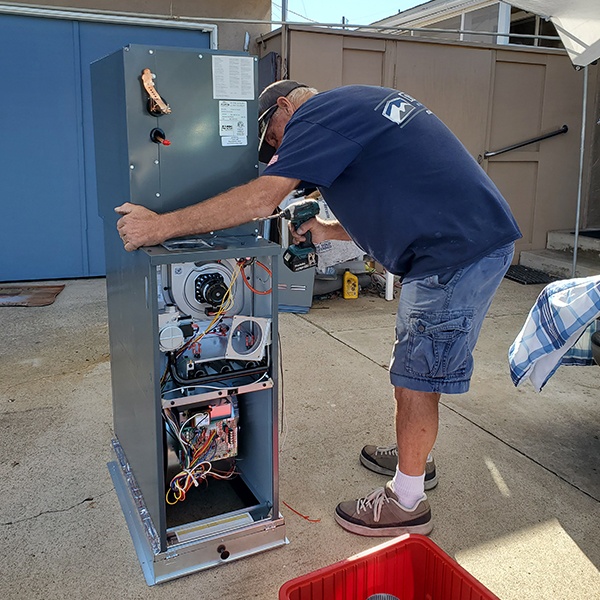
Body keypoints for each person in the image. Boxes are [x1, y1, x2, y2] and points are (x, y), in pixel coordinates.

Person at [115, 80, 521, 536]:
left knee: (417, 378)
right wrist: (326, 231)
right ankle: (414, 458)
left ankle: (407, 501)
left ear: (286, 107)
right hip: (462, 241)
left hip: (453, 255)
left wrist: (160, 226)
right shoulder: (355, 107)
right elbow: (389, 202)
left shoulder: (317, 115)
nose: (276, 153)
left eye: (273, 139)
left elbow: (260, 199)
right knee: (411, 370)